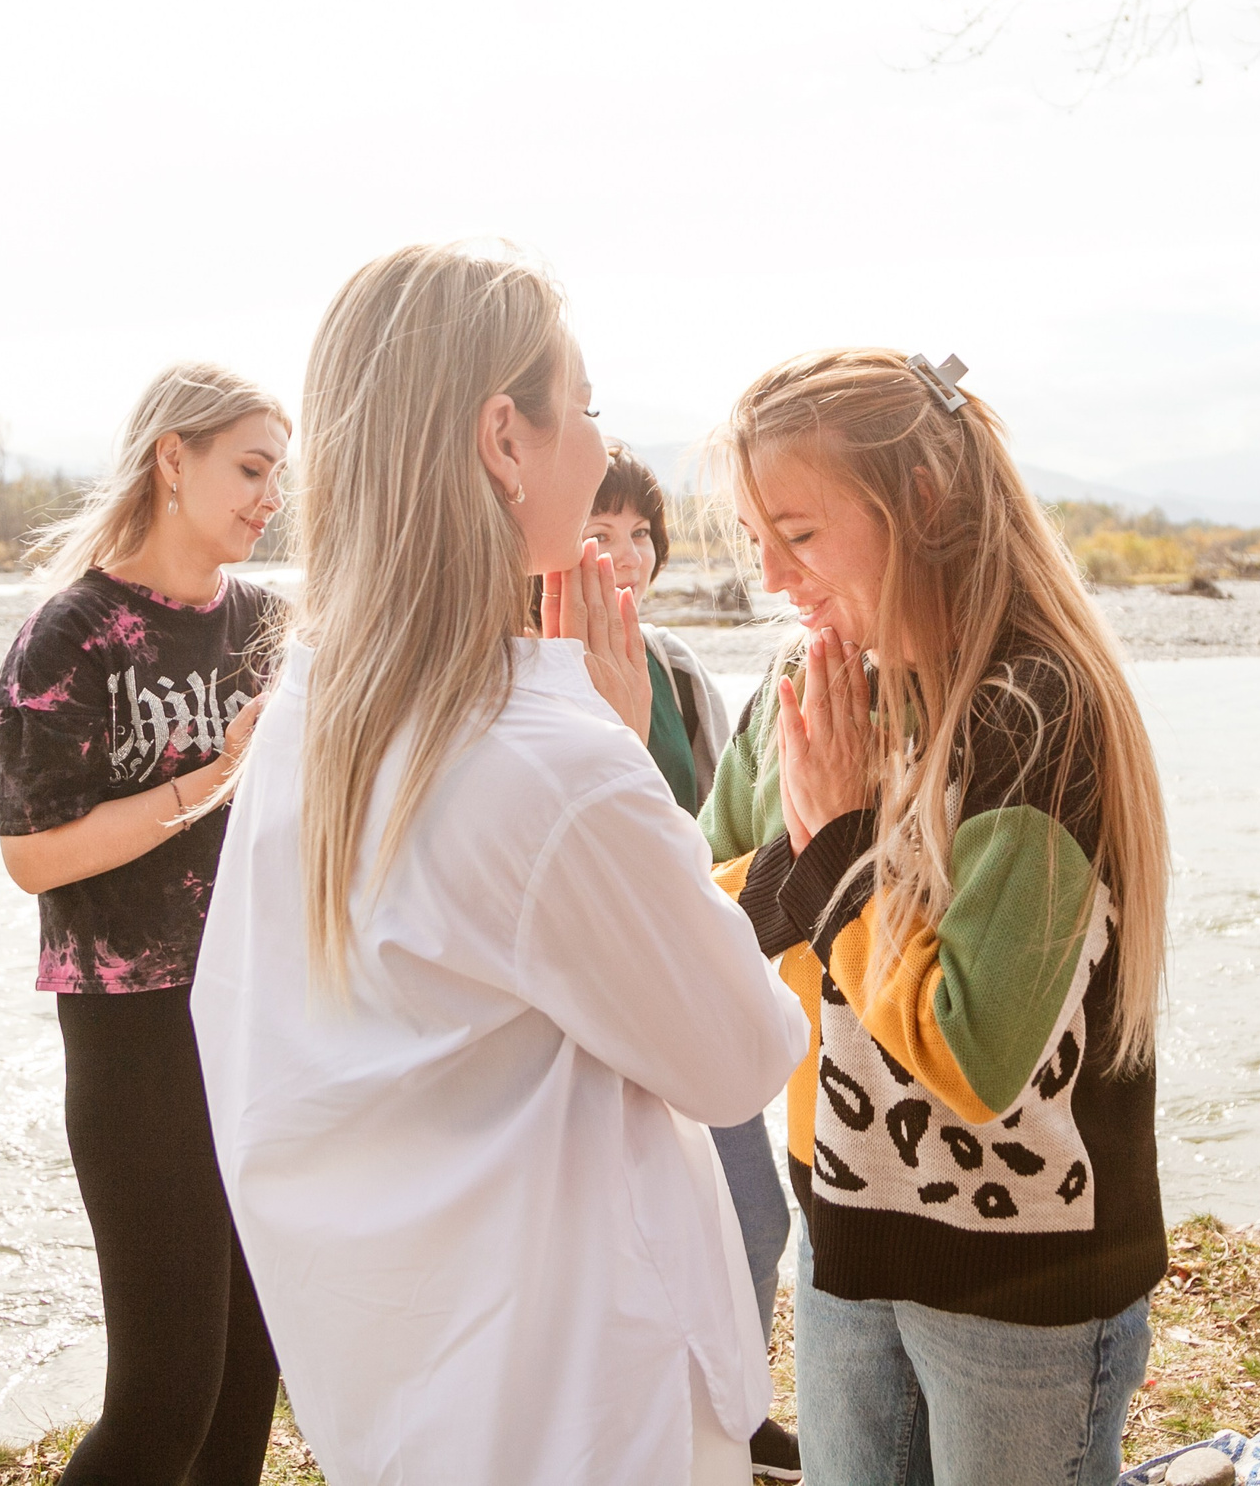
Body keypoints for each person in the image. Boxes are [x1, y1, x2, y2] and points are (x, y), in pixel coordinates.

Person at [188, 243, 808, 1486]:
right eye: (579, 410)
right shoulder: (541, 761)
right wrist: (627, 760)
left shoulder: (315, 708)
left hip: (410, 1388)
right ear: (502, 441)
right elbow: (738, 1055)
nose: (593, 445)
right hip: (586, 1401)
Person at [700, 348, 1171, 1486]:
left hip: (1025, 1281)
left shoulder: (1038, 711)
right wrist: (810, 861)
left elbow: (975, 1052)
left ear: (922, 502)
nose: (771, 577)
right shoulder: (800, 690)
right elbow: (709, 911)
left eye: (799, 535)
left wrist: (836, 855)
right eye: (758, 538)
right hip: (843, 1224)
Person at [0, 362, 290, 1486]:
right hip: (134, 1036)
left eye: (278, 474)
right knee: (163, 1400)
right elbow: (31, 858)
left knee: (247, 1380)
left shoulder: (267, 624)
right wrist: (212, 779)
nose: (271, 497)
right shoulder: (73, 636)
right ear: (174, 458)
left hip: (258, 1022)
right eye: (250, 468)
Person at [581, 443, 799, 1481]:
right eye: (601, 532)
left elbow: (721, 826)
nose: (625, 557)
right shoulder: (533, 668)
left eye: (640, 536)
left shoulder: (669, 665)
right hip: (593, 992)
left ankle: (736, 1408)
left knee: (753, 1211)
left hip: (687, 965)